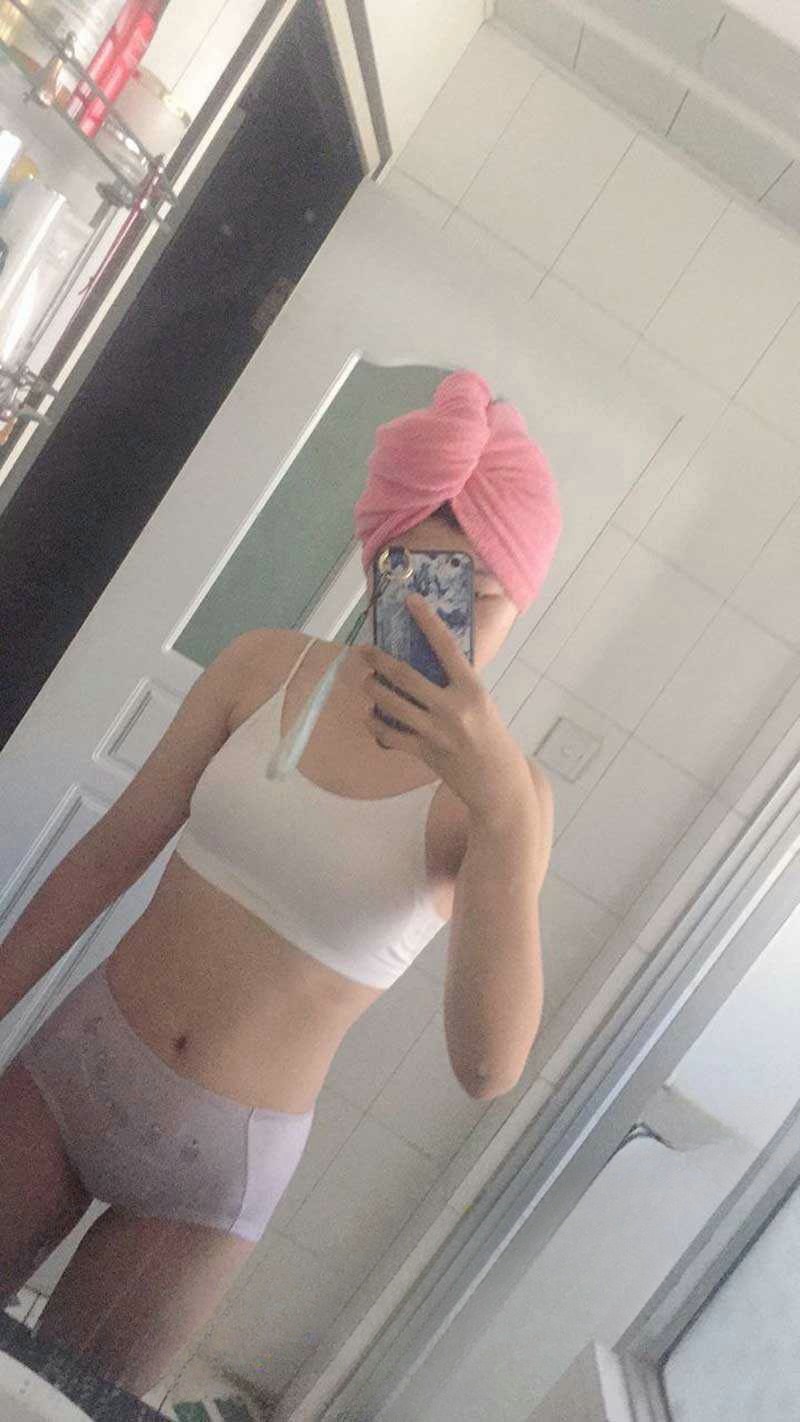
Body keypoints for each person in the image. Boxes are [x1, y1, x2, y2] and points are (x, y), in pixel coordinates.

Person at [0, 370, 562, 1398]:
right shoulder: (264, 668)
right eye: (411, 577)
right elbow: (107, 856)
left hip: (212, 1175)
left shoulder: (504, 803)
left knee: (74, 1410)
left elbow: (488, 1069)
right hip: (71, 1068)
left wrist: (506, 816)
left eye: (473, 593)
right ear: (374, 558)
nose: (435, 622)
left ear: (519, 596)